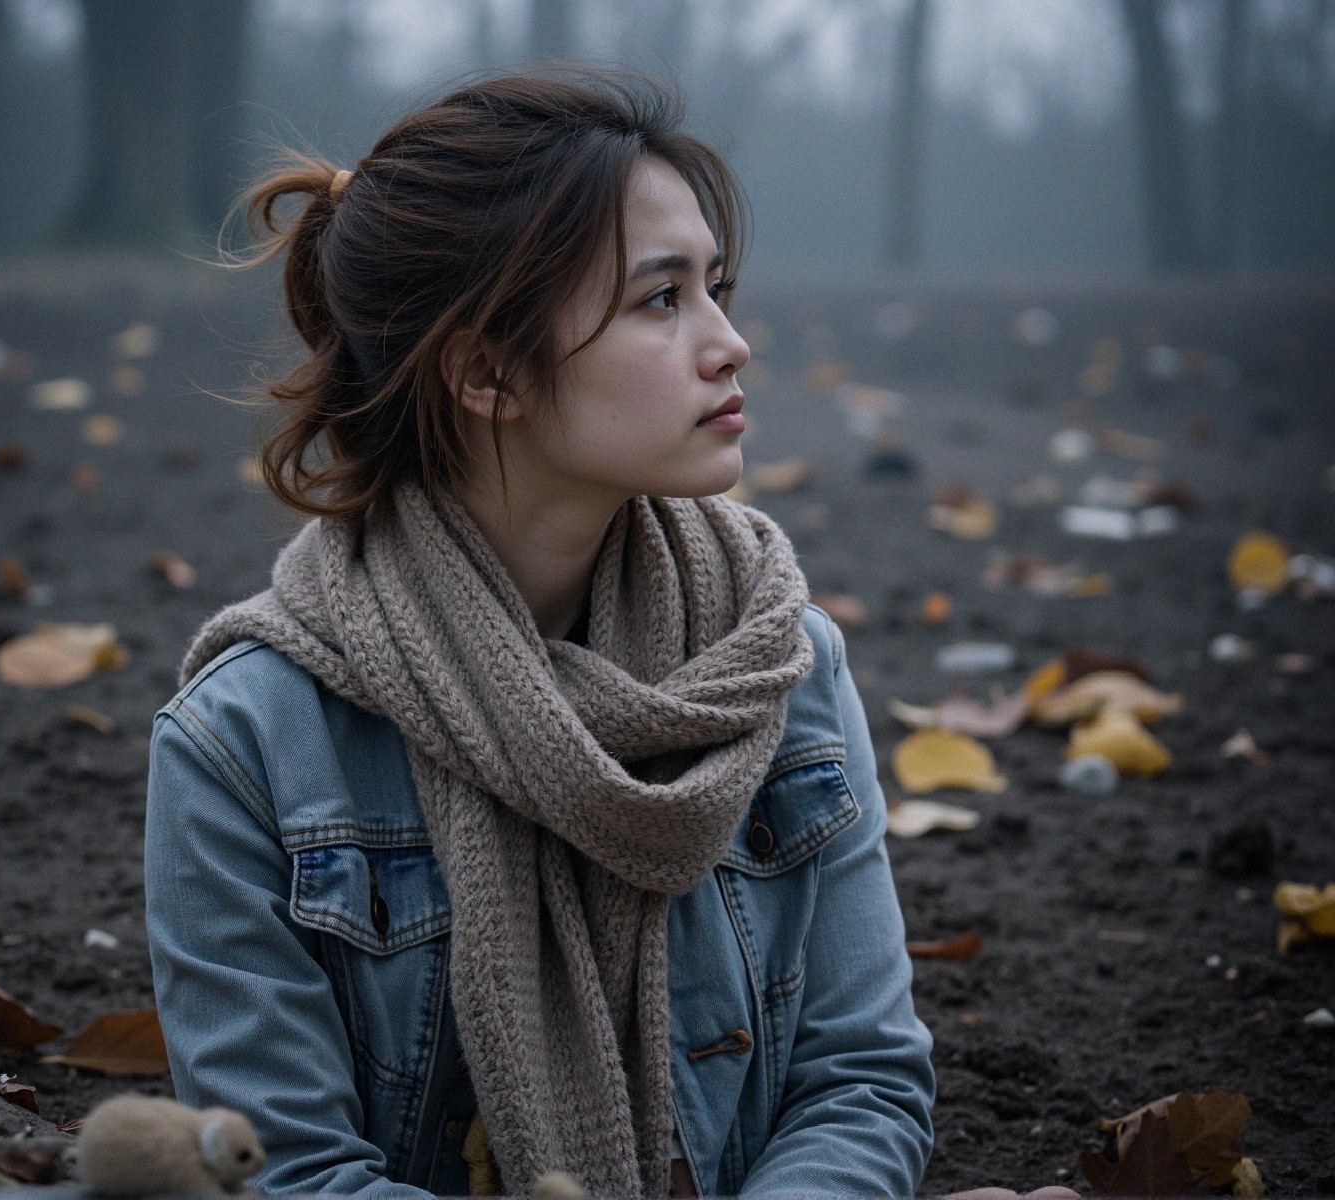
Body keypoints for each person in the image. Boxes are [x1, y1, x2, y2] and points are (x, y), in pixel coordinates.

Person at [144, 67, 935, 1198]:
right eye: (661, 299)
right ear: (486, 373)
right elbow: (291, 1175)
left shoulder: (775, 660)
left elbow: (861, 1084)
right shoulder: (246, 743)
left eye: (716, 287)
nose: (729, 344)